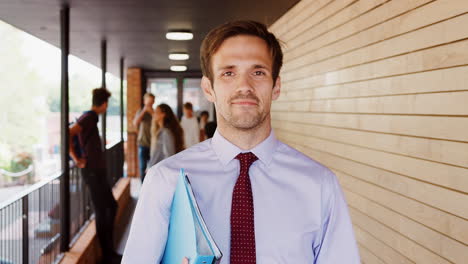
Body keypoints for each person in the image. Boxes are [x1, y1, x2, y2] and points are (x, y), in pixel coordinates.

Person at [122, 20, 360, 264]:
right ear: (208, 88)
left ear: (275, 86)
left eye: (258, 72)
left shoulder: (320, 185)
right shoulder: (164, 180)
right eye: (228, 73)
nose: (244, 86)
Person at [69, 88, 122, 264]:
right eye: (107, 104)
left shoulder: (91, 117)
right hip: (91, 171)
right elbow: (69, 133)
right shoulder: (89, 117)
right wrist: (77, 159)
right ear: (104, 104)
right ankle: (107, 253)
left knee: (111, 206)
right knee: (101, 210)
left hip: (97, 170)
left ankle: (109, 249)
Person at [145, 104, 185, 178]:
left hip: (160, 174)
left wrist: (154, 169)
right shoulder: (161, 131)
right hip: (157, 172)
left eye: (156, 112)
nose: (154, 114)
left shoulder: (166, 132)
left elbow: (169, 156)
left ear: (163, 114)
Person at [133, 93, 155, 181]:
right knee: (142, 168)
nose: (149, 104)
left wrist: (151, 112)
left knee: (153, 168)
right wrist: (144, 111)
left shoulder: (155, 112)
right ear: (144, 101)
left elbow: (160, 124)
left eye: (151, 102)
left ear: (153, 102)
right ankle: (143, 188)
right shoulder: (140, 111)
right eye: (148, 102)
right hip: (142, 143)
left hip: (153, 145)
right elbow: (135, 123)